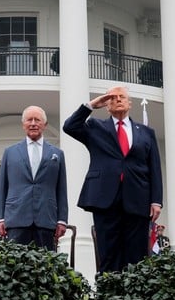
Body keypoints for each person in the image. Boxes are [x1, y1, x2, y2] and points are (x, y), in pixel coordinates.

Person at [63, 86, 163, 273]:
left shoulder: (146, 132)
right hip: (105, 199)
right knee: (108, 254)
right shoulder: (95, 127)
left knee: (137, 257)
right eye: (112, 98)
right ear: (106, 105)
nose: (118, 100)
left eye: (122, 97)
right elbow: (69, 126)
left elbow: (154, 168)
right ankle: (108, 297)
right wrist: (91, 105)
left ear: (130, 103)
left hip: (137, 199)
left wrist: (156, 200)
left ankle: (134, 298)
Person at [0, 105, 68, 250]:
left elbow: (61, 188)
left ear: (45, 125)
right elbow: (2, 187)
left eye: (37, 120)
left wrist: (62, 220)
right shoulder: (10, 152)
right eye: (29, 120)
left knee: (47, 265)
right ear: (23, 125)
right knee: (15, 267)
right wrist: (0, 218)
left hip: (46, 219)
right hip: (16, 218)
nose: (33, 123)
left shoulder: (57, 154)